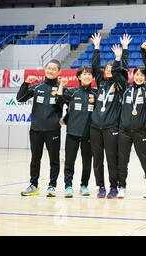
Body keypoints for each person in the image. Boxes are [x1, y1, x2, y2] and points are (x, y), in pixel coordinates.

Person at [89, 33, 130, 199]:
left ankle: (114, 186)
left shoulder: (120, 85)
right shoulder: (101, 83)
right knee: (97, 160)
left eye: (111, 69)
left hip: (111, 127)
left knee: (112, 159)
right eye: (106, 69)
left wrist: (121, 55)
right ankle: (101, 186)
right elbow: (94, 67)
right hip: (95, 128)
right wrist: (96, 48)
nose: (108, 71)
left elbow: (123, 71)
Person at [18, 59, 65, 197]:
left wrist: (65, 120)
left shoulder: (61, 88)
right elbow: (20, 98)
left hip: (53, 130)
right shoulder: (37, 87)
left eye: (53, 69)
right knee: (35, 158)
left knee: (54, 159)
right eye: (48, 68)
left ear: (59, 72)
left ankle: (52, 186)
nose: (50, 71)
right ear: (45, 70)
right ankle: (34, 185)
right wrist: (26, 83)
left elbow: (65, 103)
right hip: (36, 130)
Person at [116, 41, 146, 199]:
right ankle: (122, 187)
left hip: (141, 131)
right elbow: (121, 71)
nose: (140, 77)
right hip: (124, 132)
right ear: (134, 76)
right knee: (122, 161)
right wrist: (123, 53)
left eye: (142, 75)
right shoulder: (126, 89)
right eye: (137, 74)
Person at [56, 67, 96, 198]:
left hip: (89, 134)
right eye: (84, 74)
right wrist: (61, 85)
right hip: (72, 132)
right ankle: (68, 186)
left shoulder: (96, 94)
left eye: (89, 74)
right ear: (79, 77)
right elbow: (59, 99)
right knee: (69, 161)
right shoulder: (72, 92)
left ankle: (84, 185)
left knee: (87, 162)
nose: (87, 76)